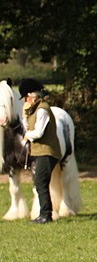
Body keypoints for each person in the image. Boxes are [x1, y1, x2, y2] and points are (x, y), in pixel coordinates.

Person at [19, 79, 62, 225]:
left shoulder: (43, 109)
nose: (25, 100)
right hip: (39, 152)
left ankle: (46, 215)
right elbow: (27, 127)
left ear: (32, 95)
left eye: (26, 97)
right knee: (40, 183)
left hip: (47, 151)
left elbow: (38, 132)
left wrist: (27, 136)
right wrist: (25, 115)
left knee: (40, 182)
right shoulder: (34, 110)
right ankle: (45, 213)